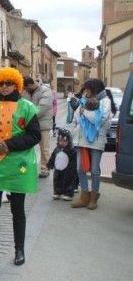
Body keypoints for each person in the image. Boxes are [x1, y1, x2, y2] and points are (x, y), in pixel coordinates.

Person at [0, 67, 41, 266]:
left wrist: (10, 145)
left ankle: (19, 250)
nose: (4, 87)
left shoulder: (27, 107)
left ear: (16, 85)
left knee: (17, 209)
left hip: (18, 164)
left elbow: (34, 135)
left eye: (9, 83)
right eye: (2, 83)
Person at [70, 78, 111, 210]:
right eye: (85, 89)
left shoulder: (105, 101)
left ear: (95, 90)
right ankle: (84, 196)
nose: (86, 91)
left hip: (96, 139)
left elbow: (100, 119)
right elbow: (77, 117)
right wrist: (83, 114)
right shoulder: (83, 99)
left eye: (88, 89)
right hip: (81, 139)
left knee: (94, 170)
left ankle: (94, 198)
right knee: (80, 169)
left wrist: (85, 112)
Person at [23, 77, 53, 178]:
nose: (25, 90)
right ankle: (24, 169)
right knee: (25, 148)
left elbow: (42, 108)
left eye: (26, 88)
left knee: (44, 149)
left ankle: (45, 169)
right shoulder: (26, 91)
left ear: (30, 85)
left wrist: (26, 117)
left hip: (42, 125)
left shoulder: (46, 91)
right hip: (28, 125)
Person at [47, 128, 77, 201]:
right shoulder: (57, 149)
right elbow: (53, 156)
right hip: (58, 169)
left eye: (64, 141)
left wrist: (74, 168)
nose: (62, 143)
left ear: (69, 141)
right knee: (57, 179)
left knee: (69, 180)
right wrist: (50, 164)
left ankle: (68, 193)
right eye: (60, 141)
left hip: (69, 170)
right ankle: (57, 192)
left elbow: (75, 160)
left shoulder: (72, 151)